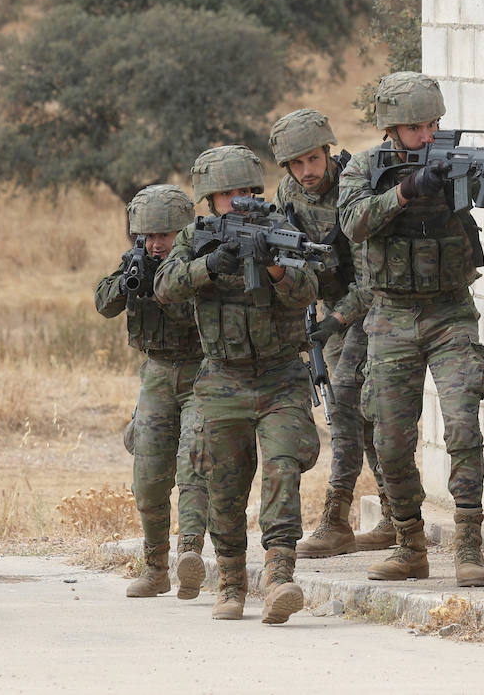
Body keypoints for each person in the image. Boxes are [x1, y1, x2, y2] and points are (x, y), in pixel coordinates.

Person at [338, 71, 484, 587]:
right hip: (391, 314)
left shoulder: (456, 160)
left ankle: (469, 546)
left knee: (464, 425)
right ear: (392, 129)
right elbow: (354, 222)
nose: (428, 136)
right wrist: (406, 191)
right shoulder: (364, 167)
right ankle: (409, 544)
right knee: (390, 439)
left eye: (434, 124)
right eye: (417, 127)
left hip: (449, 312)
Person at [154, 145, 320, 624]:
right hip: (222, 377)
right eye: (227, 193)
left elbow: (310, 288)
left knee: (283, 468)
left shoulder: (283, 228)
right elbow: (164, 289)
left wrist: (274, 267)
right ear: (210, 199)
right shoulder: (194, 238)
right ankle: (230, 579)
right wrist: (212, 264)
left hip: (281, 376)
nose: (238, 199)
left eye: (246, 190)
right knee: (223, 483)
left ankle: (280, 574)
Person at [266, 108, 393, 558]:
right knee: (358, 412)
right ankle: (393, 516)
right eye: (296, 165)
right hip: (328, 310)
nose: (307, 172)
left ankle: (336, 518)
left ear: (328, 152)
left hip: (372, 308)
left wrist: (333, 324)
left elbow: (370, 281)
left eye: (313, 160)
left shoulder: (352, 189)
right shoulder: (288, 193)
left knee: (343, 401)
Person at [95, 183, 208, 600]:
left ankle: (190, 555)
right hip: (157, 373)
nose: (156, 244)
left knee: (195, 464)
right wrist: (129, 283)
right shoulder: (136, 262)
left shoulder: (200, 262)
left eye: (165, 235)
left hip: (200, 373)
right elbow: (102, 302)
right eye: (148, 236)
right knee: (148, 476)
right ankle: (155, 567)